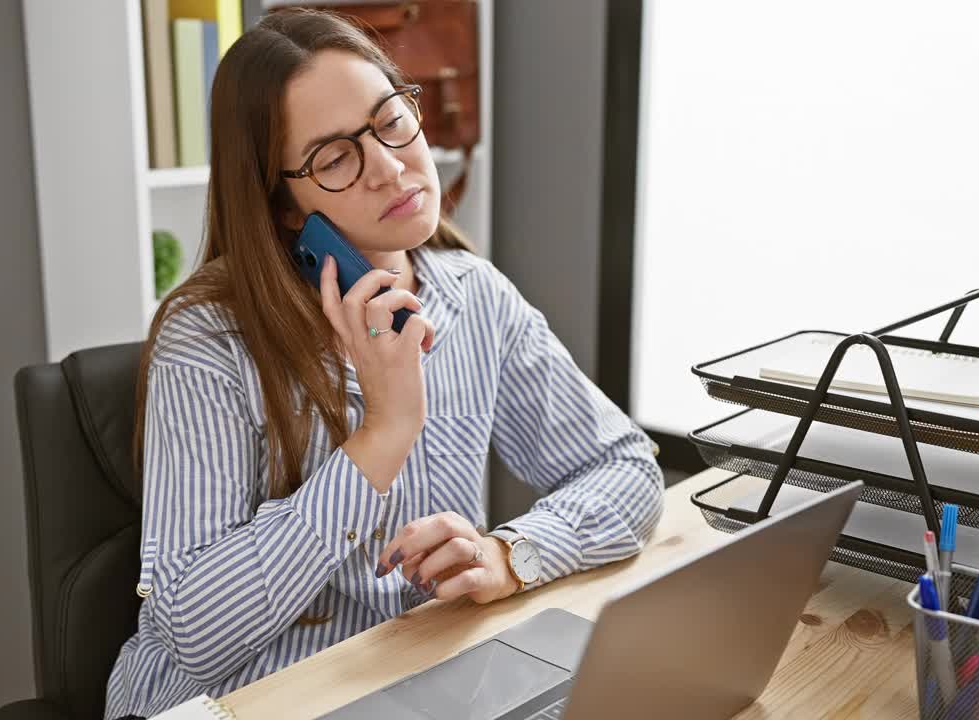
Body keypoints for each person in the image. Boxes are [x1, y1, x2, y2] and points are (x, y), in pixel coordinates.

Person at [104, 9, 664, 719]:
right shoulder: (207, 342)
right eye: (335, 158)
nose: (391, 166)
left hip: (415, 681)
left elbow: (626, 467)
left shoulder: (472, 295)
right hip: (241, 699)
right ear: (281, 205)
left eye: (392, 119)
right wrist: (382, 434)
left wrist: (512, 554)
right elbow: (193, 633)